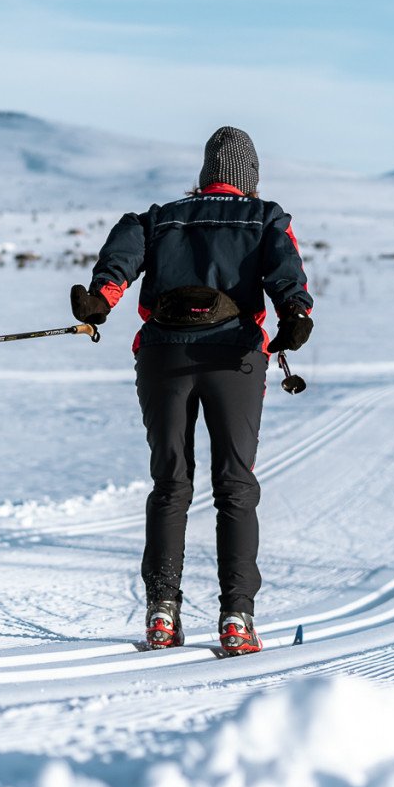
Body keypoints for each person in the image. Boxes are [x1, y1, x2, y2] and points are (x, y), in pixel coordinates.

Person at [69, 126, 313, 655]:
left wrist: (99, 302)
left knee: (171, 482)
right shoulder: (266, 217)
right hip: (234, 359)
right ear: (248, 177)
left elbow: (118, 263)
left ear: (206, 174)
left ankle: (161, 614)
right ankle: (236, 619)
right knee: (235, 484)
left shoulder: (156, 219)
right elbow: (286, 274)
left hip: (164, 356)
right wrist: (295, 314)